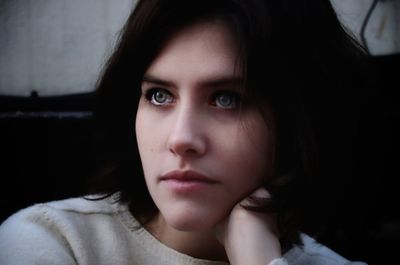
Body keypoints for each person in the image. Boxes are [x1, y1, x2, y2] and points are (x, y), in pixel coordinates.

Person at [0, 0, 369, 264]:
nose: (180, 139)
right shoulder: (52, 243)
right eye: (159, 96)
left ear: (297, 120)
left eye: (226, 99)